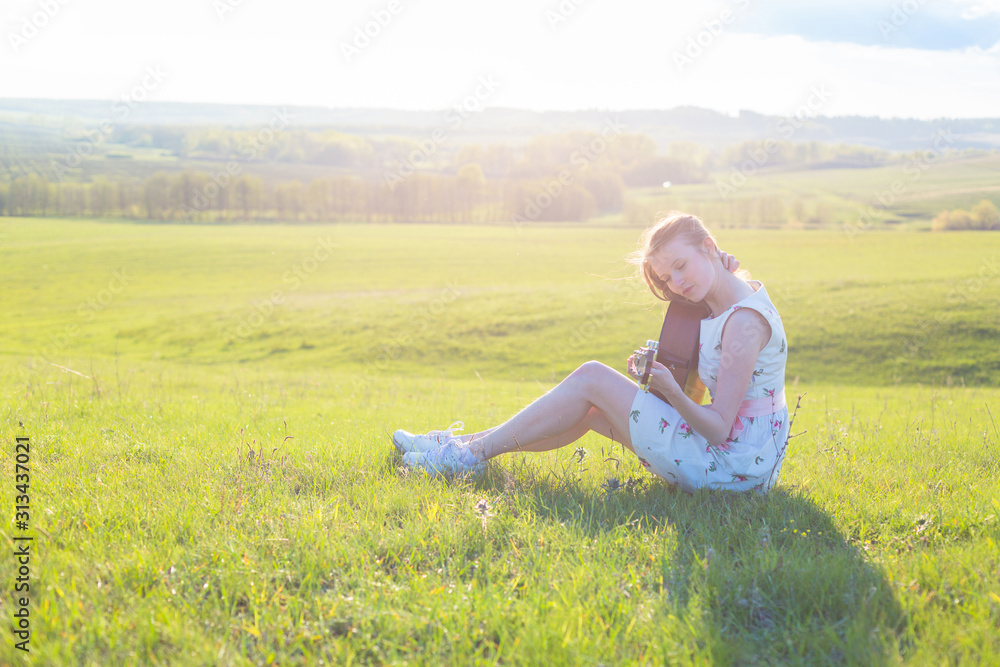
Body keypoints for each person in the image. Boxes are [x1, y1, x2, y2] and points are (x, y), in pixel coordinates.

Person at [392, 212, 790, 494]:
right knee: (591, 410)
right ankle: (458, 450)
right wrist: (716, 265)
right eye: (667, 277)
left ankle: (464, 457)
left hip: (734, 469)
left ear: (709, 246)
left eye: (681, 266)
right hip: (737, 459)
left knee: (592, 376)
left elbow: (719, 428)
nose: (677, 283)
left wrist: (670, 389)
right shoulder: (728, 293)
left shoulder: (743, 323)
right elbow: (721, 282)